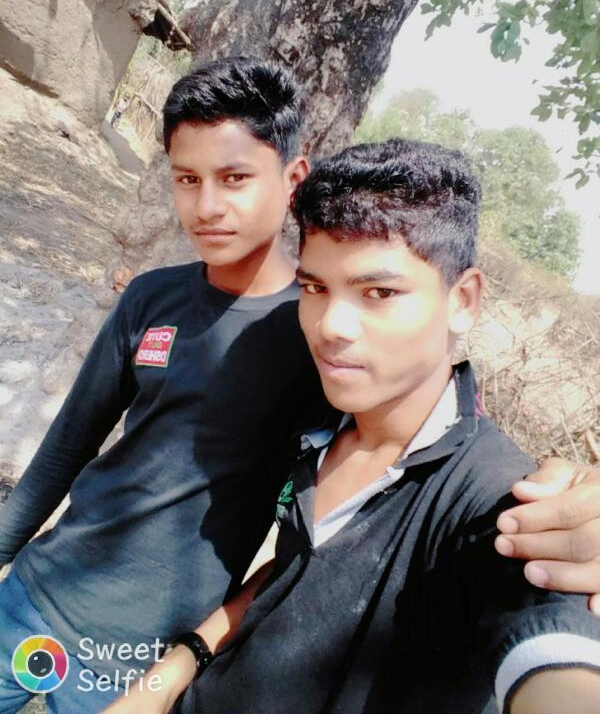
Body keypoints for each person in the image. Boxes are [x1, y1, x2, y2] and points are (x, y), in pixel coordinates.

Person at [0, 59, 598, 714]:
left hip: (135, 656)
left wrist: (568, 494)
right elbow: (68, 446)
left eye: (234, 177)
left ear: (292, 178)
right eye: (187, 179)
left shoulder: (331, 356)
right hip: (38, 595)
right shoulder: (157, 301)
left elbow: (446, 451)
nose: (207, 206)